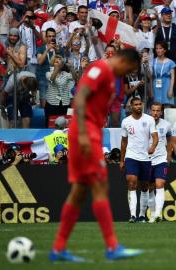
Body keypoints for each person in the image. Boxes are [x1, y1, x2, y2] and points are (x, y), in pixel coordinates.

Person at [49, 48, 143, 262]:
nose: (127, 74)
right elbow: (80, 97)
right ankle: (112, 246)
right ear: (123, 61)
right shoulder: (99, 69)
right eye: (129, 69)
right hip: (85, 132)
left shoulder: (109, 75)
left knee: (80, 191)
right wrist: (82, 133)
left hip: (91, 132)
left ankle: (58, 248)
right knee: (100, 185)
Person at [120, 97, 158, 223]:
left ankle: (142, 214)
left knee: (145, 186)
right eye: (135, 104)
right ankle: (132, 215)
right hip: (131, 156)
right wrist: (121, 160)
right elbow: (124, 141)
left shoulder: (149, 119)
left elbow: (155, 137)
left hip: (145, 158)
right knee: (131, 183)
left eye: (140, 104)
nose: (138, 106)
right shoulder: (125, 121)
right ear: (131, 106)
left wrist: (152, 146)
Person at [147, 102, 172, 223]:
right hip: (147, 160)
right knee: (150, 188)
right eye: (153, 110)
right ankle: (152, 213)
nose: (155, 113)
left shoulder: (166, 125)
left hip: (161, 159)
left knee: (160, 184)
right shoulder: (145, 123)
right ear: (150, 111)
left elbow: (170, 140)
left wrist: (168, 155)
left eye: (158, 111)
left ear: (161, 112)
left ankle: (158, 214)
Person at [45, 54, 74, 127]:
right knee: (51, 126)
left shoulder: (66, 74)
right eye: (55, 60)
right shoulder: (48, 73)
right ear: (52, 63)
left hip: (65, 104)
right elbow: (52, 79)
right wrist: (57, 68)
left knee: (66, 126)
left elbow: (76, 79)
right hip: (52, 105)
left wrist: (71, 68)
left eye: (59, 59)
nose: (57, 60)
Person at [151, 41, 176, 107]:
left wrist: (170, 90)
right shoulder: (152, 61)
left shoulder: (170, 62)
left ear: (165, 50)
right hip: (155, 84)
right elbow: (150, 76)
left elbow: (173, 77)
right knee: (156, 106)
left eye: (160, 48)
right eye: (156, 48)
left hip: (167, 85)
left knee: (167, 107)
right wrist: (150, 90)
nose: (158, 50)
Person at [18, 9, 41, 74]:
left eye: (30, 17)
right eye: (27, 16)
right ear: (23, 16)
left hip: (32, 57)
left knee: (32, 77)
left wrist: (32, 27)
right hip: (21, 57)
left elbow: (40, 37)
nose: (28, 18)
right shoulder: (20, 27)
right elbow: (12, 30)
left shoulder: (35, 27)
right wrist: (22, 21)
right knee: (21, 77)